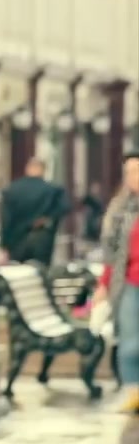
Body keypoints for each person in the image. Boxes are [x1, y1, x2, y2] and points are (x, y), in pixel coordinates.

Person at [96, 152, 139, 413]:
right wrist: (103, 284)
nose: (133, 177)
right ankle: (132, 392)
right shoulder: (120, 209)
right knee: (130, 342)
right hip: (130, 283)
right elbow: (110, 252)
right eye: (129, 172)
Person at [0, 157, 69, 266]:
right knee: (40, 269)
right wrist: (48, 218)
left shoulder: (12, 190)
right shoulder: (52, 190)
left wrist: (4, 245)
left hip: (17, 240)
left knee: (18, 270)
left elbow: (6, 219)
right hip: (42, 237)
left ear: (27, 169)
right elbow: (64, 207)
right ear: (43, 170)